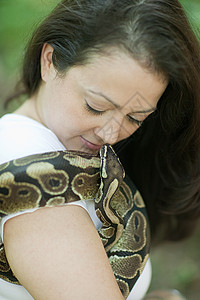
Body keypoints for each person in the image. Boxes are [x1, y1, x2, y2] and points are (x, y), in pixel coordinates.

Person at [0, 0, 199, 299]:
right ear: (50, 60)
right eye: (95, 106)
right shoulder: (29, 169)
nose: (111, 134)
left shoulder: (74, 153)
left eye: (135, 118)